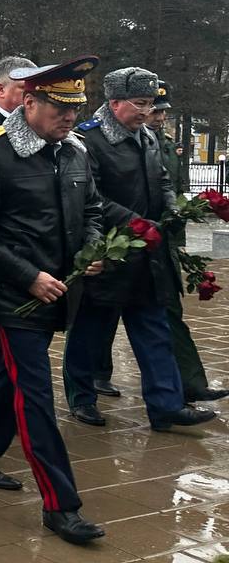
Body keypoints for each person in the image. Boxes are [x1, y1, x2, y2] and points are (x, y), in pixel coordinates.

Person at [0, 55, 107, 544]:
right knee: (35, 398)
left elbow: (94, 210)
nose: (69, 117)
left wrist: (92, 247)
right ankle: (61, 505)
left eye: (75, 107)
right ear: (30, 102)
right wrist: (28, 276)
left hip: (62, 294)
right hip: (12, 300)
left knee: (11, 381)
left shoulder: (76, 151)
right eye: (59, 107)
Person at [61, 67, 217, 430]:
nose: (148, 112)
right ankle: (81, 397)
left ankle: (166, 405)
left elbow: (161, 178)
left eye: (150, 104)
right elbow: (91, 195)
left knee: (154, 331)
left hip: (149, 254)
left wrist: (173, 209)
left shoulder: (146, 137)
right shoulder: (88, 141)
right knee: (91, 333)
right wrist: (135, 222)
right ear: (115, 103)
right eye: (141, 104)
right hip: (109, 252)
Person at [0, 56, 34, 120]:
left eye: (36, 89)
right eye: (25, 88)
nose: (34, 94)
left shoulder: (41, 126)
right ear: (1, 90)